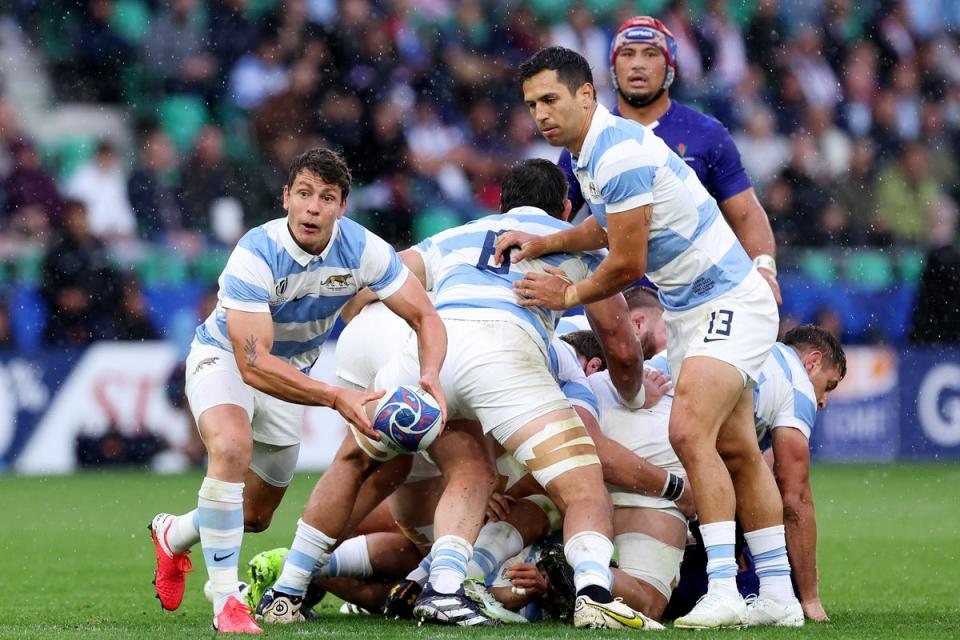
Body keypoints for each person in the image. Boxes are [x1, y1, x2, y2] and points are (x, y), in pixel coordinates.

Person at [259, 159, 659, 630]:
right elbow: (621, 349)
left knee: (362, 463)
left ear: (501, 203)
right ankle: (590, 595)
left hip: (432, 349)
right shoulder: (572, 240)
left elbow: (365, 290)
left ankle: (287, 591)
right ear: (567, 208)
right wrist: (633, 398)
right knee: (581, 487)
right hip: (504, 353)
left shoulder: (459, 234)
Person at [498, 47, 799, 628]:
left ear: (586, 95)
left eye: (551, 99)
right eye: (532, 103)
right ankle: (780, 594)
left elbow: (627, 260)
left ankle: (723, 590)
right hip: (696, 307)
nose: (540, 113)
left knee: (688, 433)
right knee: (735, 446)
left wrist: (566, 297)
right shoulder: (588, 151)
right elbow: (602, 228)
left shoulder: (614, 155)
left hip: (727, 298)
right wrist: (545, 243)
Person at [147, 147, 446, 634]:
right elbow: (252, 362)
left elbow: (424, 315)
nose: (313, 207)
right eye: (304, 194)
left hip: (291, 378)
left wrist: (431, 373)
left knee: (255, 515)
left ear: (341, 206)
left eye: (326, 198)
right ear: (286, 197)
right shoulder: (255, 251)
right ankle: (226, 603)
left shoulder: (364, 249)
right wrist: (335, 397)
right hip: (226, 357)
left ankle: (173, 532)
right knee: (230, 446)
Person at [558, 17, 781, 304]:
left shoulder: (707, 134)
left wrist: (764, 268)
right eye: (627, 54)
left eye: (650, 54)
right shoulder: (584, 139)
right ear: (613, 67)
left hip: (695, 297)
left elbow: (746, 213)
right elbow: (555, 216)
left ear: (671, 67)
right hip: (614, 299)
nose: (638, 63)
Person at [668, 324, 846, 624]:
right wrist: (810, 597)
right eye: (828, 385)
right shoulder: (797, 382)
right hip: (668, 454)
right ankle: (755, 592)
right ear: (812, 362)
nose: (824, 401)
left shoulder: (750, 351)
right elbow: (795, 497)